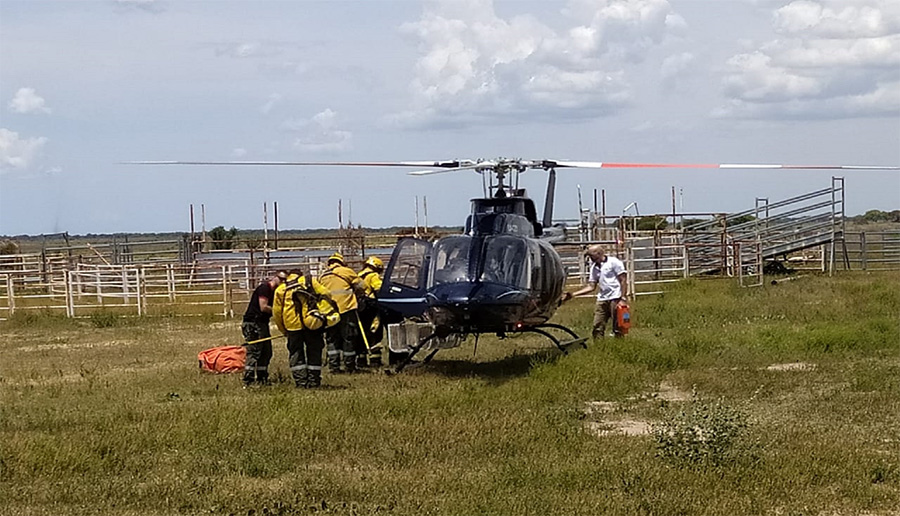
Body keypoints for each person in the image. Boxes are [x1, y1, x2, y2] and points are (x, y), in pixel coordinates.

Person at [272, 269, 332, 388]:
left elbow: (277, 313)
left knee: (296, 353)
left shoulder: (281, 290)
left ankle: (301, 382)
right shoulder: (310, 281)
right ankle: (314, 381)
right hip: (312, 323)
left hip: (292, 326)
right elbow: (327, 294)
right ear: (300, 275)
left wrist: (283, 330)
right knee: (314, 351)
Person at [561, 245, 628, 339]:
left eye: (591, 255)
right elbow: (591, 286)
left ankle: (620, 345)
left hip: (615, 297)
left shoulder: (614, 262)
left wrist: (623, 298)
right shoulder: (594, 268)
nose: (590, 258)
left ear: (599, 253)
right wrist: (573, 294)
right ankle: (599, 346)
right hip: (602, 298)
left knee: (618, 326)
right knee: (597, 326)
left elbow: (623, 280)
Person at [318, 252, 365, 373]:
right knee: (348, 337)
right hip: (346, 309)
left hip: (330, 312)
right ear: (341, 262)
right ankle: (349, 366)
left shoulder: (323, 276)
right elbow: (362, 286)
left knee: (332, 338)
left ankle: (334, 367)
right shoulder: (346, 271)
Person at [241, 271, 285, 386]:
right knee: (255, 351)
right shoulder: (265, 288)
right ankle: (248, 380)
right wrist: (278, 312)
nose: (282, 282)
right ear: (274, 277)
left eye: (284, 280)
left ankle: (262, 377)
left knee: (266, 352)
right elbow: (263, 307)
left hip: (262, 323)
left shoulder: (275, 292)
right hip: (253, 323)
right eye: (280, 279)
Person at [357, 256, 385, 366]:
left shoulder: (358, 275)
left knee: (362, 333)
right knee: (375, 332)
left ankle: (361, 360)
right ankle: (375, 360)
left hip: (360, 307)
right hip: (371, 307)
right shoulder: (373, 276)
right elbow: (379, 290)